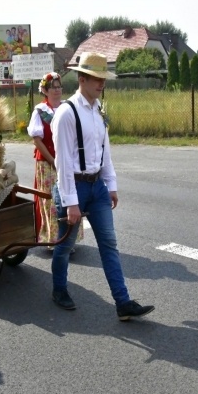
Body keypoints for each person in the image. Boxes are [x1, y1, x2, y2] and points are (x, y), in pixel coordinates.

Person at [51, 52, 154, 320]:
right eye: (96, 78)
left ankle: (123, 302)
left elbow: (104, 151)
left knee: (109, 243)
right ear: (82, 79)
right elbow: (63, 162)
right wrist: (71, 202)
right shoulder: (66, 113)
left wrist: (111, 184)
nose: (102, 83)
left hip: (97, 187)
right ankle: (59, 289)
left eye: (103, 78)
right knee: (65, 244)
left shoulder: (98, 110)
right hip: (74, 186)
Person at [27, 72, 82, 249]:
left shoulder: (68, 108)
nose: (57, 90)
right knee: (52, 201)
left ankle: (69, 239)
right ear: (45, 90)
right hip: (47, 163)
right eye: (53, 87)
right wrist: (53, 160)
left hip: (67, 162)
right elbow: (37, 140)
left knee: (70, 198)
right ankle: (54, 239)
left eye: (59, 87)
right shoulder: (40, 111)